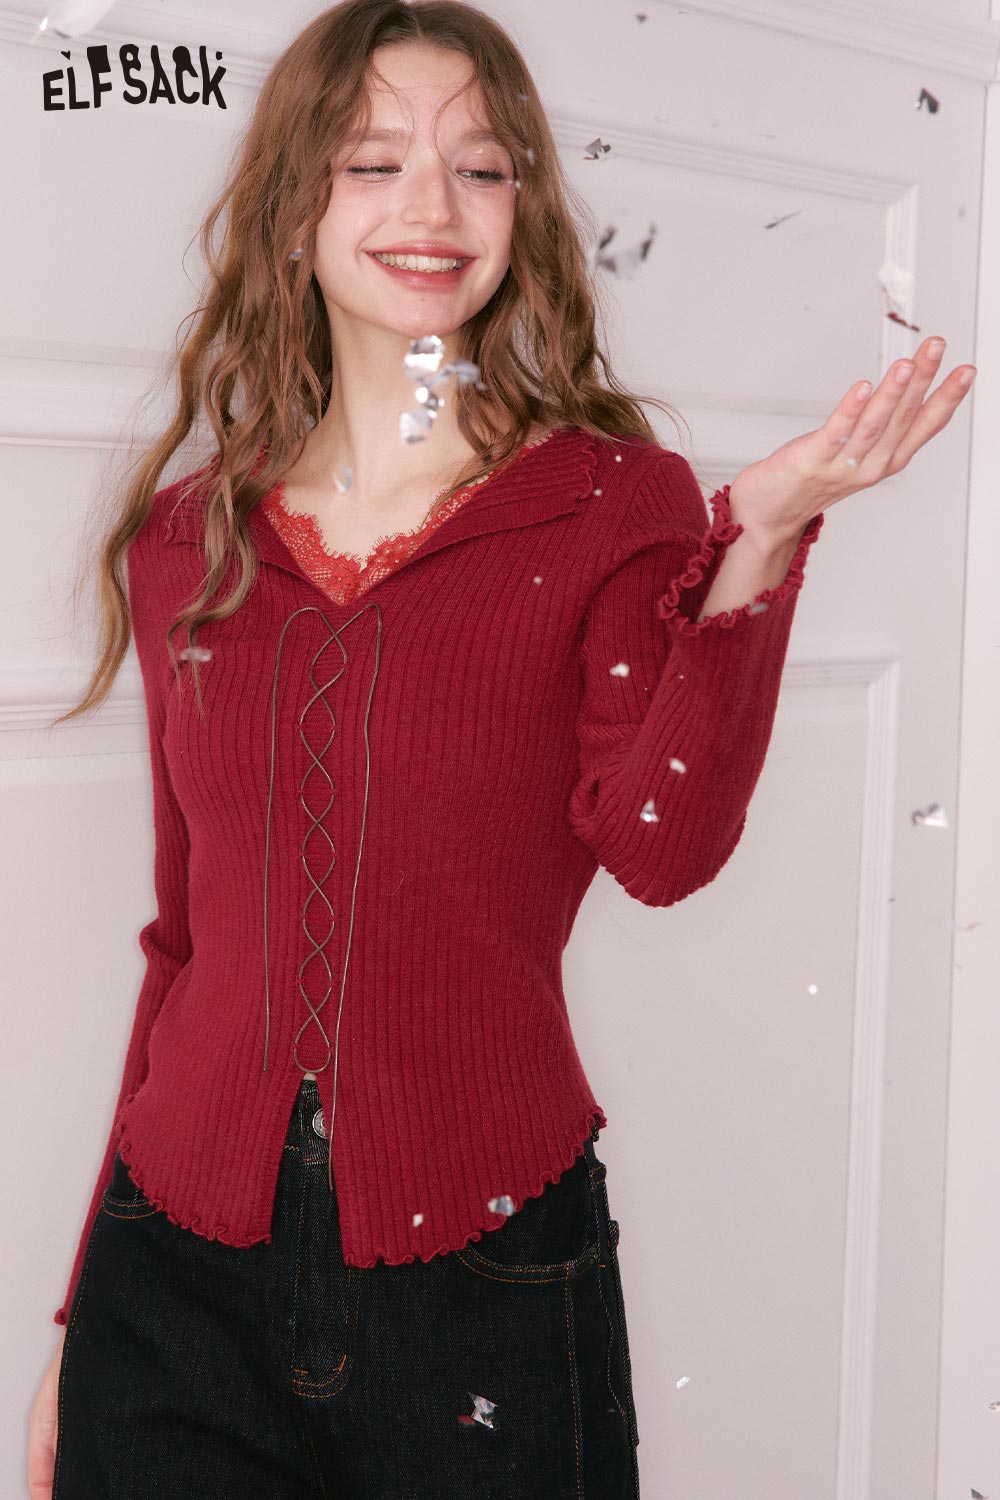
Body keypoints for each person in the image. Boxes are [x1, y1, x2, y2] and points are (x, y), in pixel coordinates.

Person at [27, 2, 975, 1497]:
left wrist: (756, 542)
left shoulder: (609, 505)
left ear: (520, 211)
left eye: (480, 166)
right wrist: (80, 1319)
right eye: (373, 162)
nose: (432, 204)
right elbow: (183, 939)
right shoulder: (187, 541)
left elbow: (660, 848)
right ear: (294, 214)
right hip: (172, 1288)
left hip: (484, 1279)